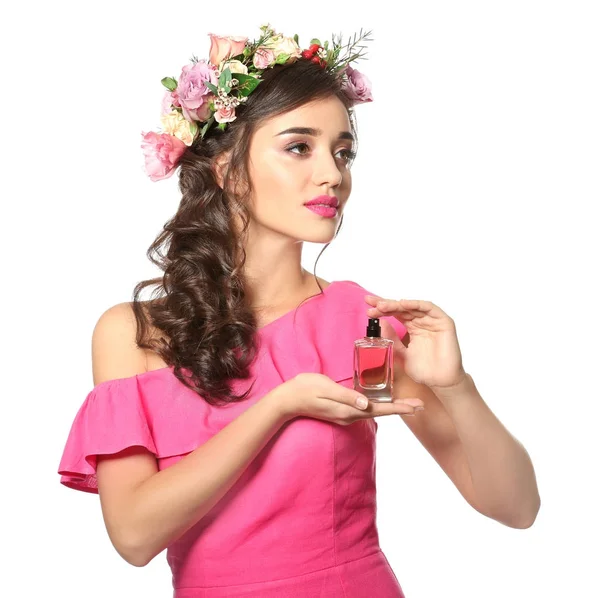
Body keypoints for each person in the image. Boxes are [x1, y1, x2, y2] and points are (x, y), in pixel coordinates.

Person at [57, 24, 540, 598]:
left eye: (343, 152)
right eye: (298, 146)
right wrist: (277, 408)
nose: (333, 174)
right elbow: (133, 536)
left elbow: (517, 507)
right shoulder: (134, 334)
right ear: (227, 167)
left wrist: (457, 387)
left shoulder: (363, 322)